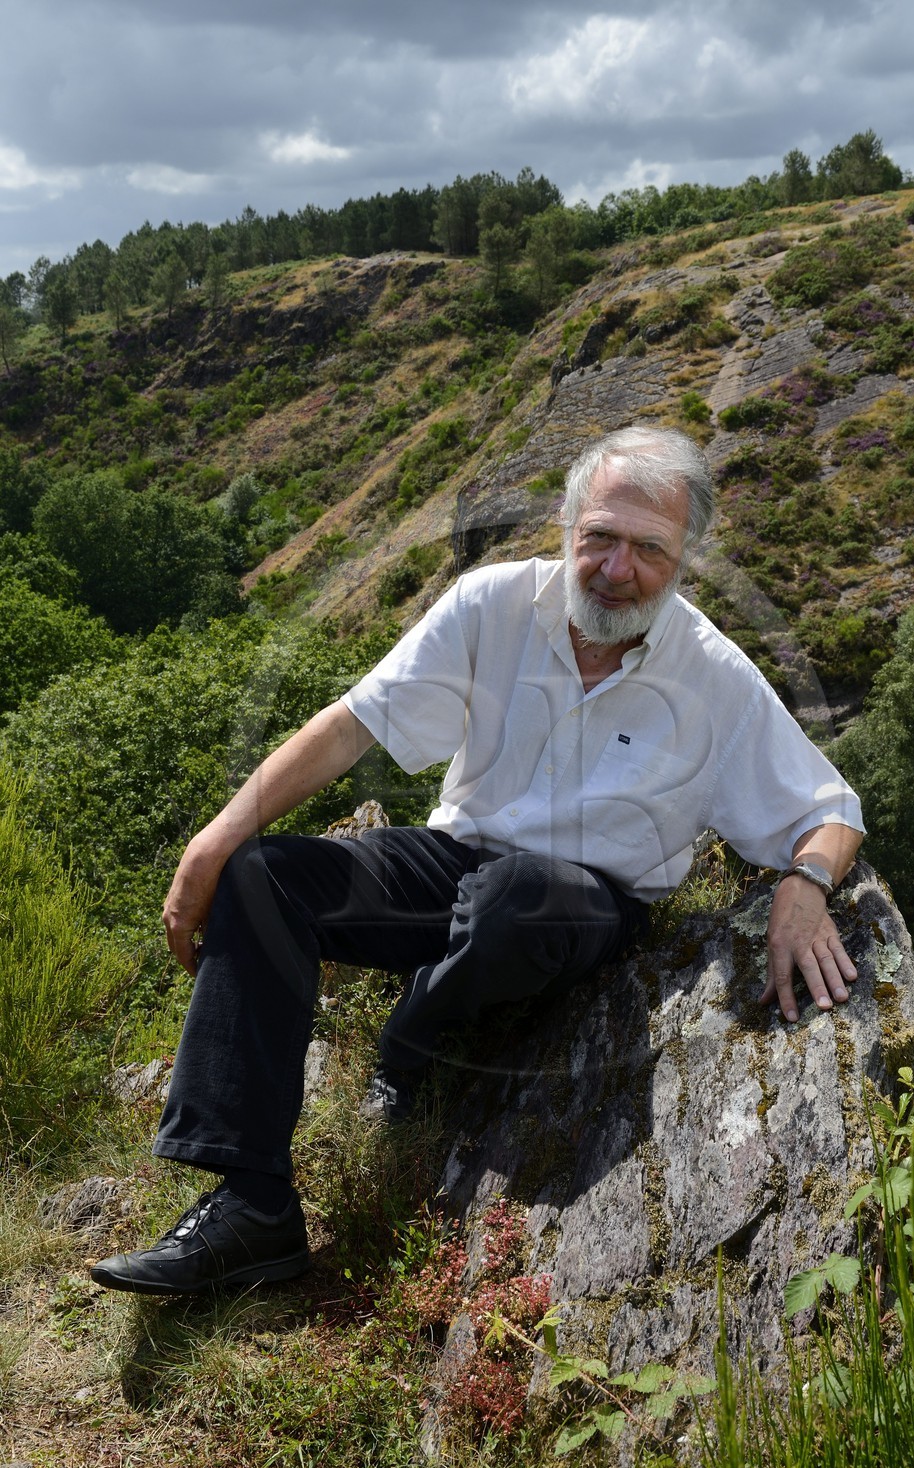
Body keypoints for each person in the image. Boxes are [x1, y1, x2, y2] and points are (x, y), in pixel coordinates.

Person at [91, 426, 863, 1297]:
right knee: (266, 880)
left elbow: (829, 808)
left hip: (584, 901)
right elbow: (353, 723)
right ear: (565, 523)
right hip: (454, 860)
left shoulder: (713, 675)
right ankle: (252, 1207)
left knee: (517, 900)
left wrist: (803, 885)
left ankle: (410, 1041)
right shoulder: (491, 604)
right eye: (600, 536)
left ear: (685, 557)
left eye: (649, 549)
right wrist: (221, 836)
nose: (617, 568)